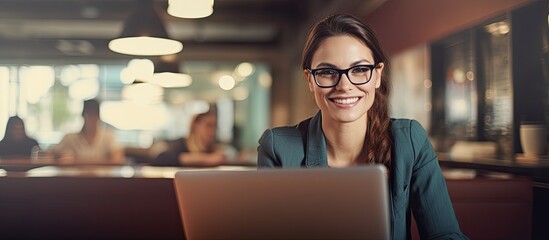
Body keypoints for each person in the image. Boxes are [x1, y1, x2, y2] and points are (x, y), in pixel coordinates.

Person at [257, 14, 468, 239]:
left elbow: (445, 235)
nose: (345, 86)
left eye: (359, 70)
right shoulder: (278, 147)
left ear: (377, 75)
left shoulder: (409, 141)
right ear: (310, 80)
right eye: (328, 72)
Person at [50, 99, 124, 164]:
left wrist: (78, 162)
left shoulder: (108, 137)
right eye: (89, 114)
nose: (92, 119)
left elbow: (117, 159)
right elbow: (53, 154)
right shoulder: (70, 138)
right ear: (83, 116)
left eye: (94, 115)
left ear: (98, 117)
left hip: (101, 178)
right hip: (76, 178)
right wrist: (64, 157)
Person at [152, 110, 227, 166]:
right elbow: (159, 159)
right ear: (196, 125)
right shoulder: (180, 145)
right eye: (208, 125)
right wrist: (206, 159)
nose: (212, 130)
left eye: (214, 126)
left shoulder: (212, 148)